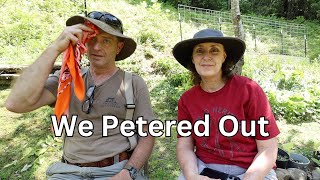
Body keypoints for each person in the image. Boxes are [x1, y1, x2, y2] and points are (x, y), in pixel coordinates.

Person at [5, 11, 155, 180]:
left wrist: (129, 171)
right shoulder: (66, 80)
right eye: (92, 39)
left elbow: (147, 134)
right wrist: (55, 48)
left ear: (118, 47)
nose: (97, 47)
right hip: (69, 172)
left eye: (106, 41)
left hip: (116, 170)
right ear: (83, 42)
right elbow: (15, 103)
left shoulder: (133, 83)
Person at [172, 29, 280, 180]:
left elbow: (268, 148)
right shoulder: (187, 99)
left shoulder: (249, 90)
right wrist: (192, 176)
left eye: (214, 50)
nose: (206, 57)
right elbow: (184, 146)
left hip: (252, 169)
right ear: (193, 58)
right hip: (203, 167)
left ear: (224, 56)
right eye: (199, 51)